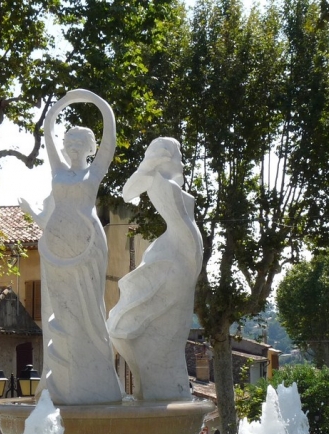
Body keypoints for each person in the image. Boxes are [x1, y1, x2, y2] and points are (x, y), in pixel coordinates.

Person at [20, 89, 123, 405]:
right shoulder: (58, 171)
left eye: (81, 144)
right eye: (70, 143)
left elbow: (110, 141)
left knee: (89, 310)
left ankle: (93, 376)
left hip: (87, 247)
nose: (74, 148)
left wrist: (100, 105)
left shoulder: (94, 171)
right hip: (56, 249)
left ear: (91, 149)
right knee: (62, 310)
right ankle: (63, 378)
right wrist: (56, 110)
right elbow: (48, 137)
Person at [106, 137, 203, 401]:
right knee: (157, 323)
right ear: (167, 156)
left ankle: (162, 385)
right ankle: (159, 386)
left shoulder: (169, 186)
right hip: (174, 254)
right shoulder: (163, 183)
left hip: (178, 254)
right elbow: (128, 192)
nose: (181, 159)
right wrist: (148, 165)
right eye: (177, 153)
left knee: (171, 325)